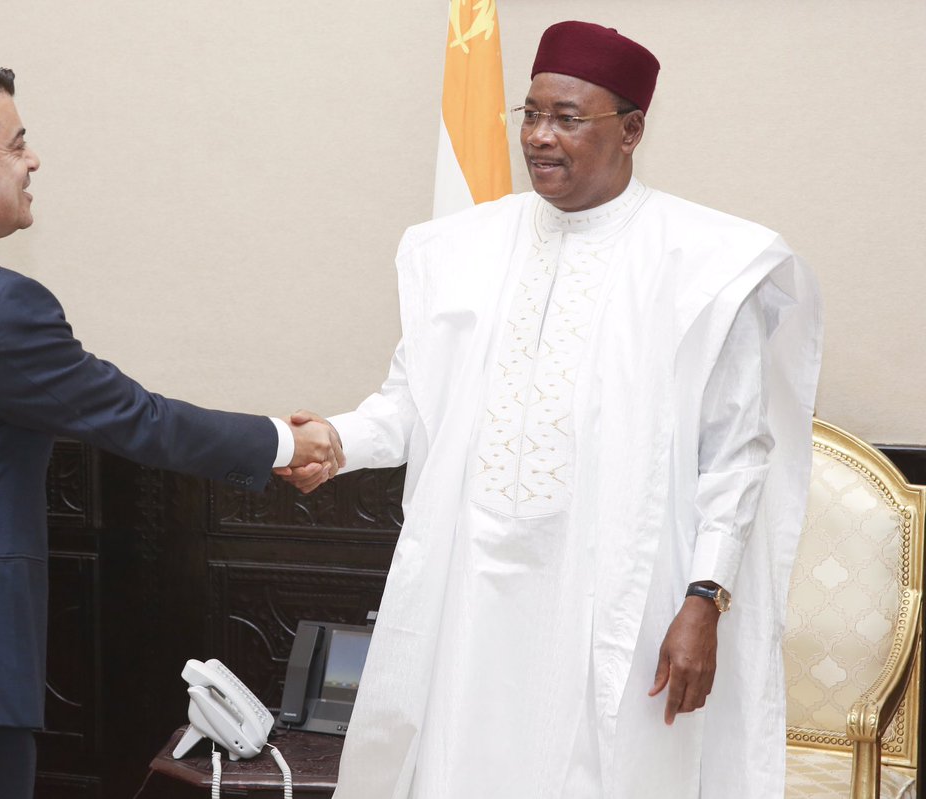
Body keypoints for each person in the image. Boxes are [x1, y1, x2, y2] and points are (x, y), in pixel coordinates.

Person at [281, 21, 821, 799]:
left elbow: (737, 454)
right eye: (530, 114)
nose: (538, 136)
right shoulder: (460, 250)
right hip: (470, 591)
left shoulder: (705, 265)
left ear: (631, 130)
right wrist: (335, 439)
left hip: (621, 592)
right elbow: (408, 404)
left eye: (567, 118)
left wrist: (705, 598)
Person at [0, 53, 341, 799]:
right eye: (16, 144)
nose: (33, 160)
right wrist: (285, 441)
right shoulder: (0, 306)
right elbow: (136, 418)